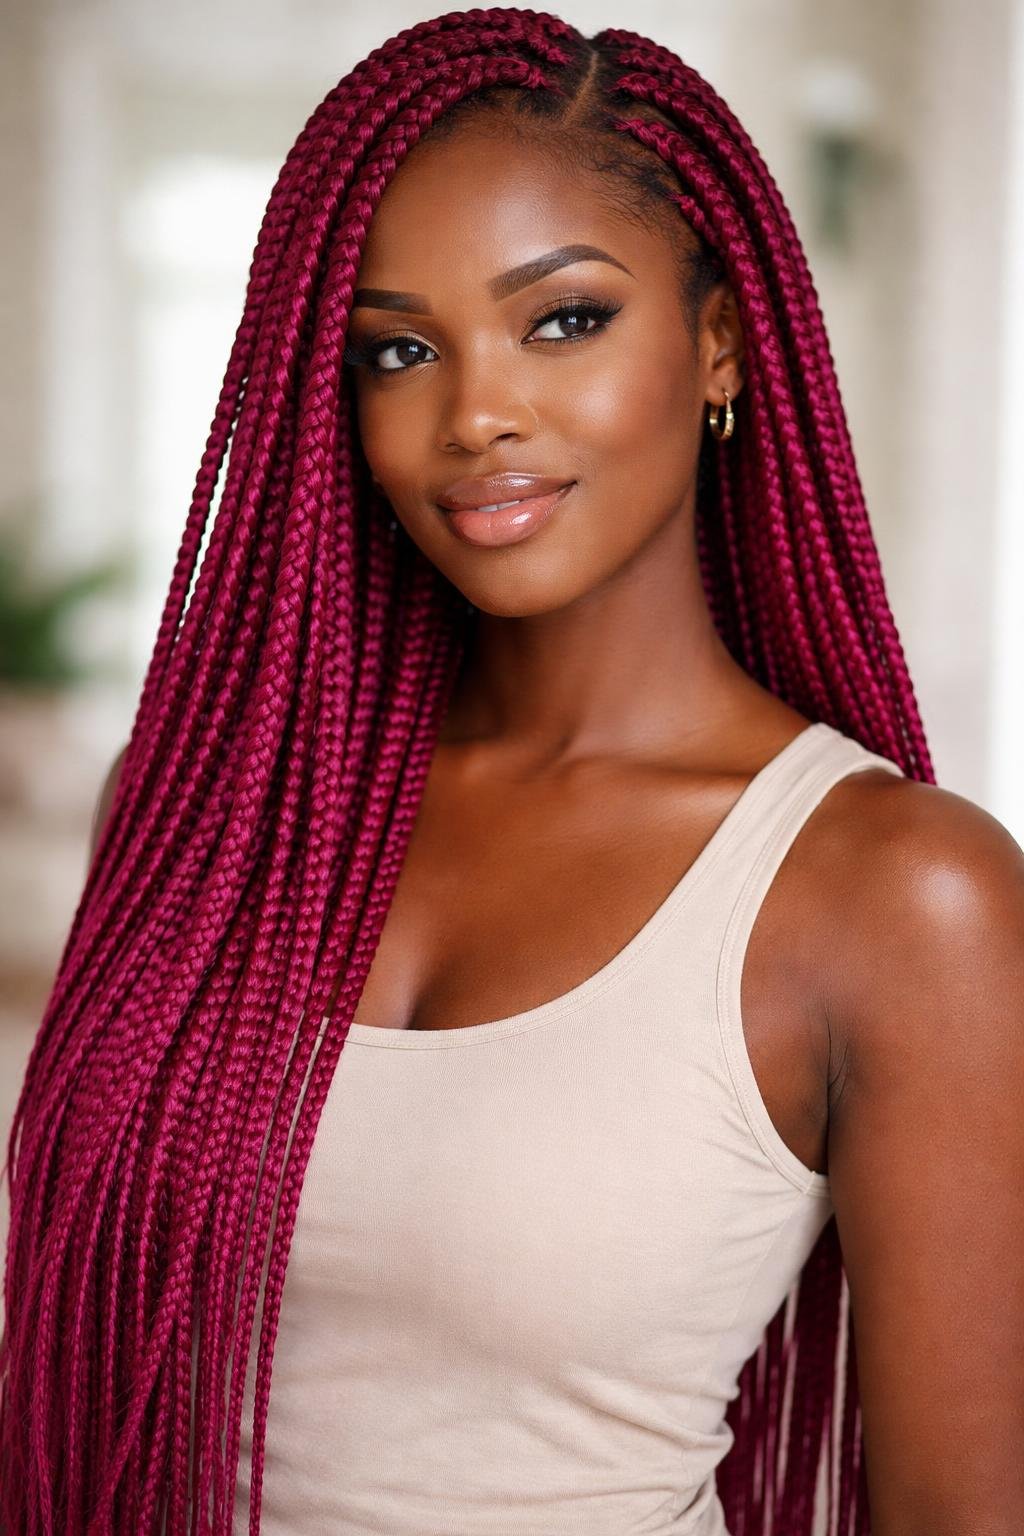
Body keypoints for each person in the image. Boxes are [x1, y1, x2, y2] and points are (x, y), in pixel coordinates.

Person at [2, 9, 1022, 1534]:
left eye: (564, 320)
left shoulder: (899, 896)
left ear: (725, 340)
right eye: (401, 349)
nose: (476, 412)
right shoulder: (207, 805)